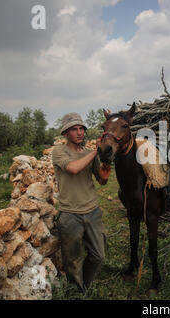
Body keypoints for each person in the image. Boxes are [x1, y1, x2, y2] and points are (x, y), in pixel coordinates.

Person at [52, 112, 111, 292]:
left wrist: (105, 171)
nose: (79, 133)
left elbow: (101, 180)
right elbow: (73, 168)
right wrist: (96, 151)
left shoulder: (87, 153)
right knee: (72, 260)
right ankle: (78, 292)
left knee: (99, 255)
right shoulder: (59, 152)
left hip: (92, 210)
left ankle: (85, 283)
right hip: (69, 214)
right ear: (65, 134)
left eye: (81, 129)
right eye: (74, 129)